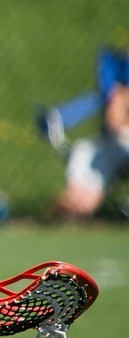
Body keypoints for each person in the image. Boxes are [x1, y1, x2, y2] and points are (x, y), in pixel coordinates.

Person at [53, 45, 129, 219]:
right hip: (117, 143)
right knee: (85, 155)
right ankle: (58, 220)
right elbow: (114, 121)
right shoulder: (122, 89)